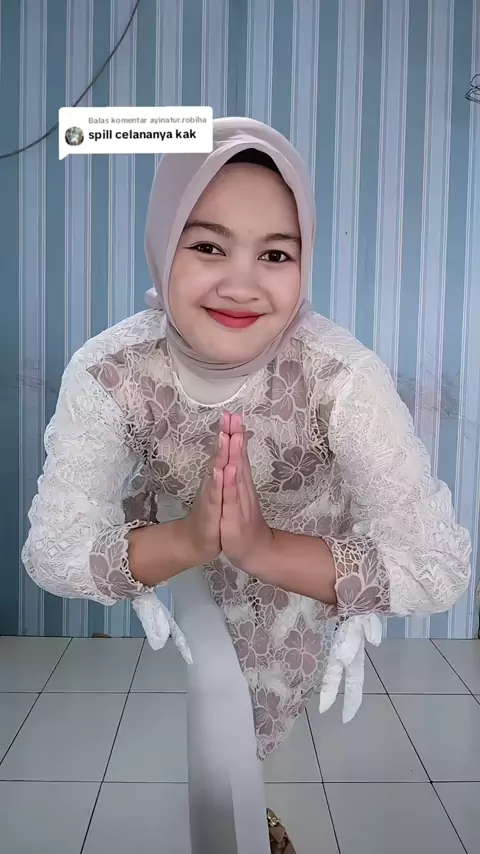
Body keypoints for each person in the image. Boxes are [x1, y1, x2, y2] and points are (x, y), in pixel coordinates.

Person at [23, 117, 471, 847]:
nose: (242, 283)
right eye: (207, 246)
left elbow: (438, 564)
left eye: (275, 254)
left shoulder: (340, 377)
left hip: (306, 560)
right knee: (220, 722)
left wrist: (264, 549)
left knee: (254, 728)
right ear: (163, 245)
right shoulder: (111, 371)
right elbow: (54, 551)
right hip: (184, 541)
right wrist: (185, 541)